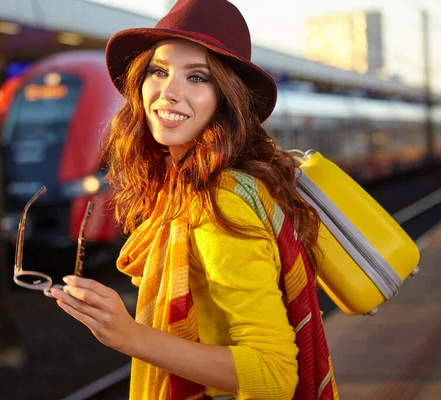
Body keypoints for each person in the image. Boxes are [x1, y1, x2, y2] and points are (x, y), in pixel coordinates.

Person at [50, 0, 338, 399]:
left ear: (227, 97)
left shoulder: (220, 201)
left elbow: (274, 374)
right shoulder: (182, 188)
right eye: (159, 71)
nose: (169, 92)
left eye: (197, 77)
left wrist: (129, 335)